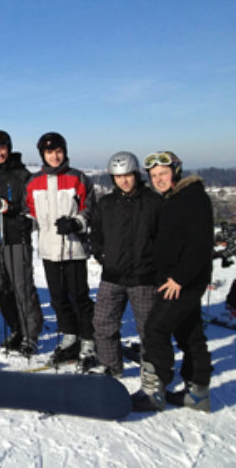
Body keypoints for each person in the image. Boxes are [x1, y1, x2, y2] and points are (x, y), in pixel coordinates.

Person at [131, 151, 213, 412]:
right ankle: (197, 393)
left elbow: (199, 244)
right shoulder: (174, 199)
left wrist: (179, 278)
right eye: (154, 176)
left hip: (182, 281)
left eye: (163, 174)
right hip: (175, 279)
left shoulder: (192, 198)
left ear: (175, 171)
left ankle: (155, 391)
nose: (158, 179)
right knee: (190, 333)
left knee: (155, 329)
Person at [25, 132, 96, 369]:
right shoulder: (34, 182)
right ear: (42, 155)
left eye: (58, 151)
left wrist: (77, 222)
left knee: (79, 296)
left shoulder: (78, 178)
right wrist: (26, 223)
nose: (54, 156)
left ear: (64, 151)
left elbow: (89, 209)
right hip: (48, 249)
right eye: (49, 153)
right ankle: (70, 336)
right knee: (57, 298)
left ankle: (88, 339)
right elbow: (32, 213)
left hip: (74, 248)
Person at [89, 151, 163, 377]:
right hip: (112, 276)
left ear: (136, 174)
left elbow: (165, 238)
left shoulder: (153, 202)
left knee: (149, 330)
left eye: (128, 175)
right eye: (118, 176)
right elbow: (97, 234)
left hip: (144, 278)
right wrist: (101, 255)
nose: (124, 180)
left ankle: (153, 371)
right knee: (103, 324)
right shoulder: (106, 203)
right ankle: (111, 367)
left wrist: (156, 264)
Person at [0, 130, 43, 355]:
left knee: (21, 286)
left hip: (16, 237)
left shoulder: (22, 175)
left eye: (2, 148)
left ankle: (30, 334)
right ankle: (16, 328)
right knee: (0, 288)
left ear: (9, 147)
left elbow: (30, 205)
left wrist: (11, 207)